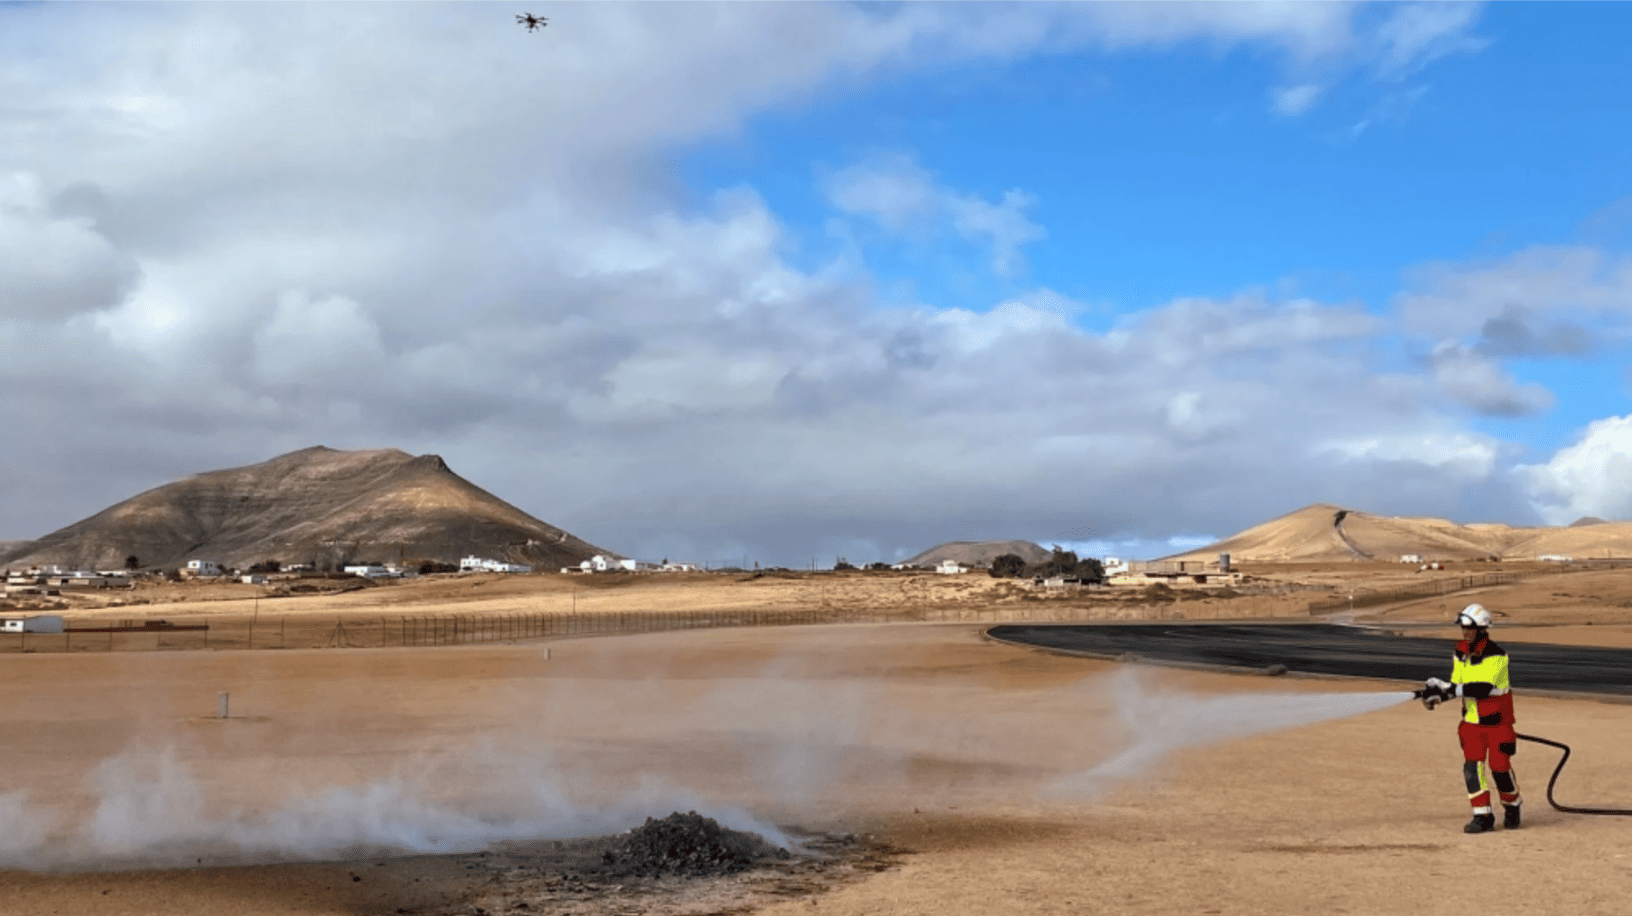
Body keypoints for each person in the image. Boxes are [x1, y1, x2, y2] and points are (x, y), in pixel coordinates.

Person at [1419, 603, 1522, 833]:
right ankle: (1482, 816)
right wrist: (1438, 696)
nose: (1465, 632)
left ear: (1482, 629)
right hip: (1472, 725)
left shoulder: (1497, 656)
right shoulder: (1460, 653)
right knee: (1472, 770)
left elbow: (1481, 689)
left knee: (1500, 769)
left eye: (1470, 628)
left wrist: (1445, 688)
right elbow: (1458, 686)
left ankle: (1512, 806)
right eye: (1463, 628)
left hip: (1498, 724)